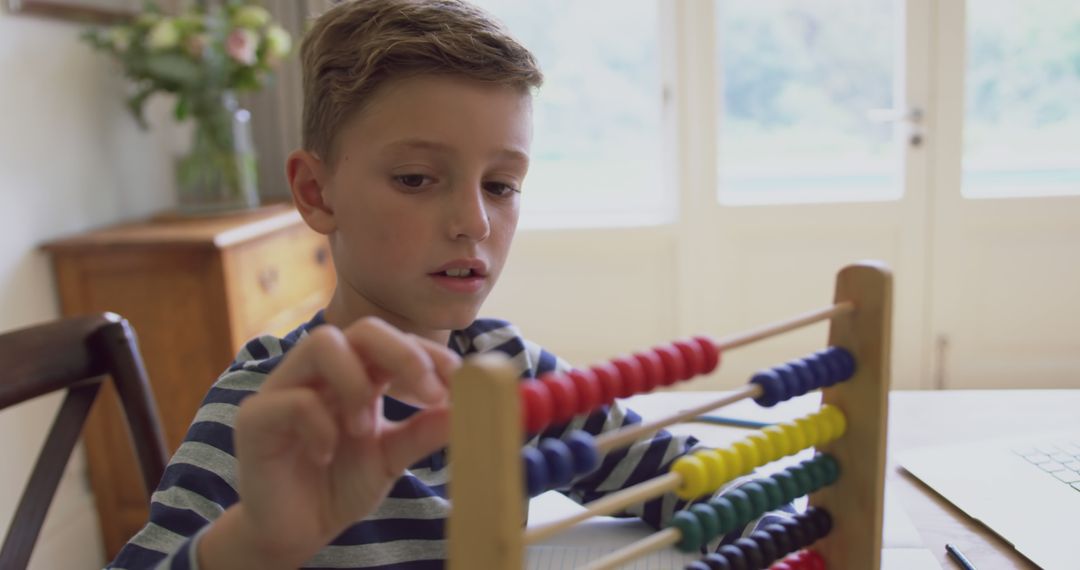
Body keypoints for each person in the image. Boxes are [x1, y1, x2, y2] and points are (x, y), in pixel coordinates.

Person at [108, 2, 783, 569]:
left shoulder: (508, 372)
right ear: (317, 191)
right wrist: (251, 543)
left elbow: (692, 485)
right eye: (415, 179)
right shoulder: (269, 412)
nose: (473, 222)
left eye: (501, 185)